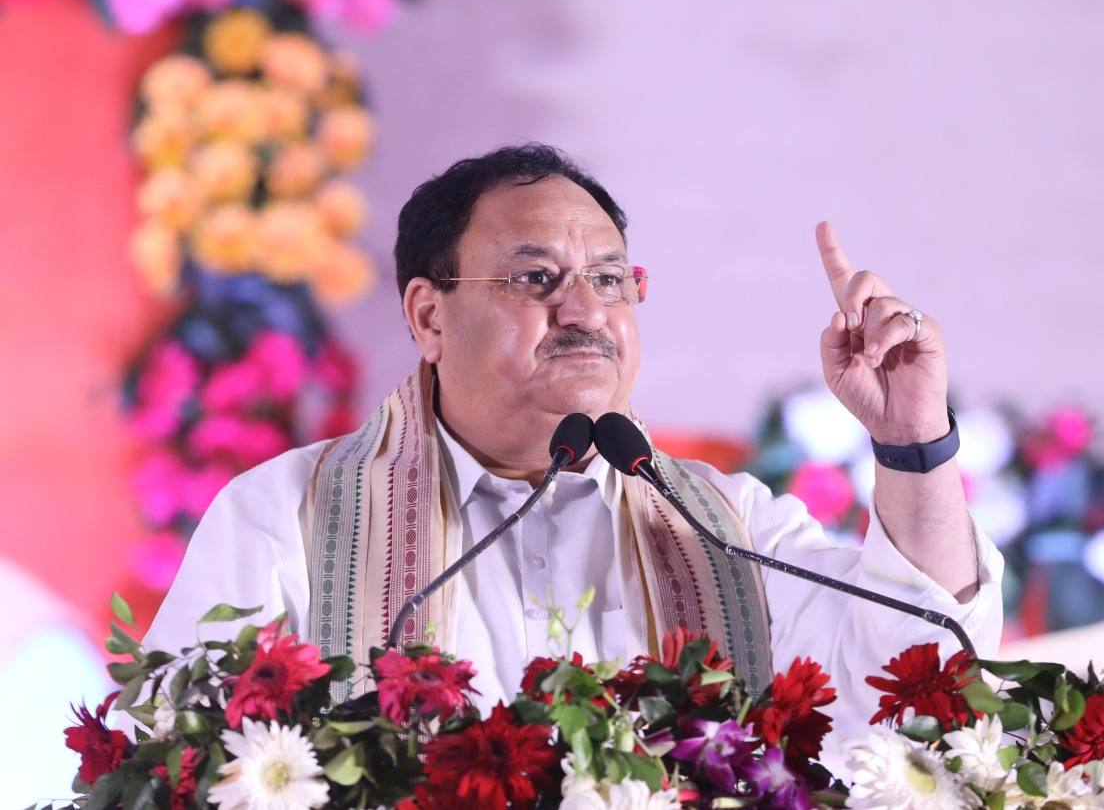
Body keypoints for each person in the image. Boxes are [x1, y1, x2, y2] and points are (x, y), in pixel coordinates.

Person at [142, 143, 1003, 765]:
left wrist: (912, 443)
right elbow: (167, 763)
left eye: (608, 277)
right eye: (534, 278)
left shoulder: (729, 526)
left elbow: (914, 683)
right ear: (428, 316)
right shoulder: (284, 518)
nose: (584, 309)